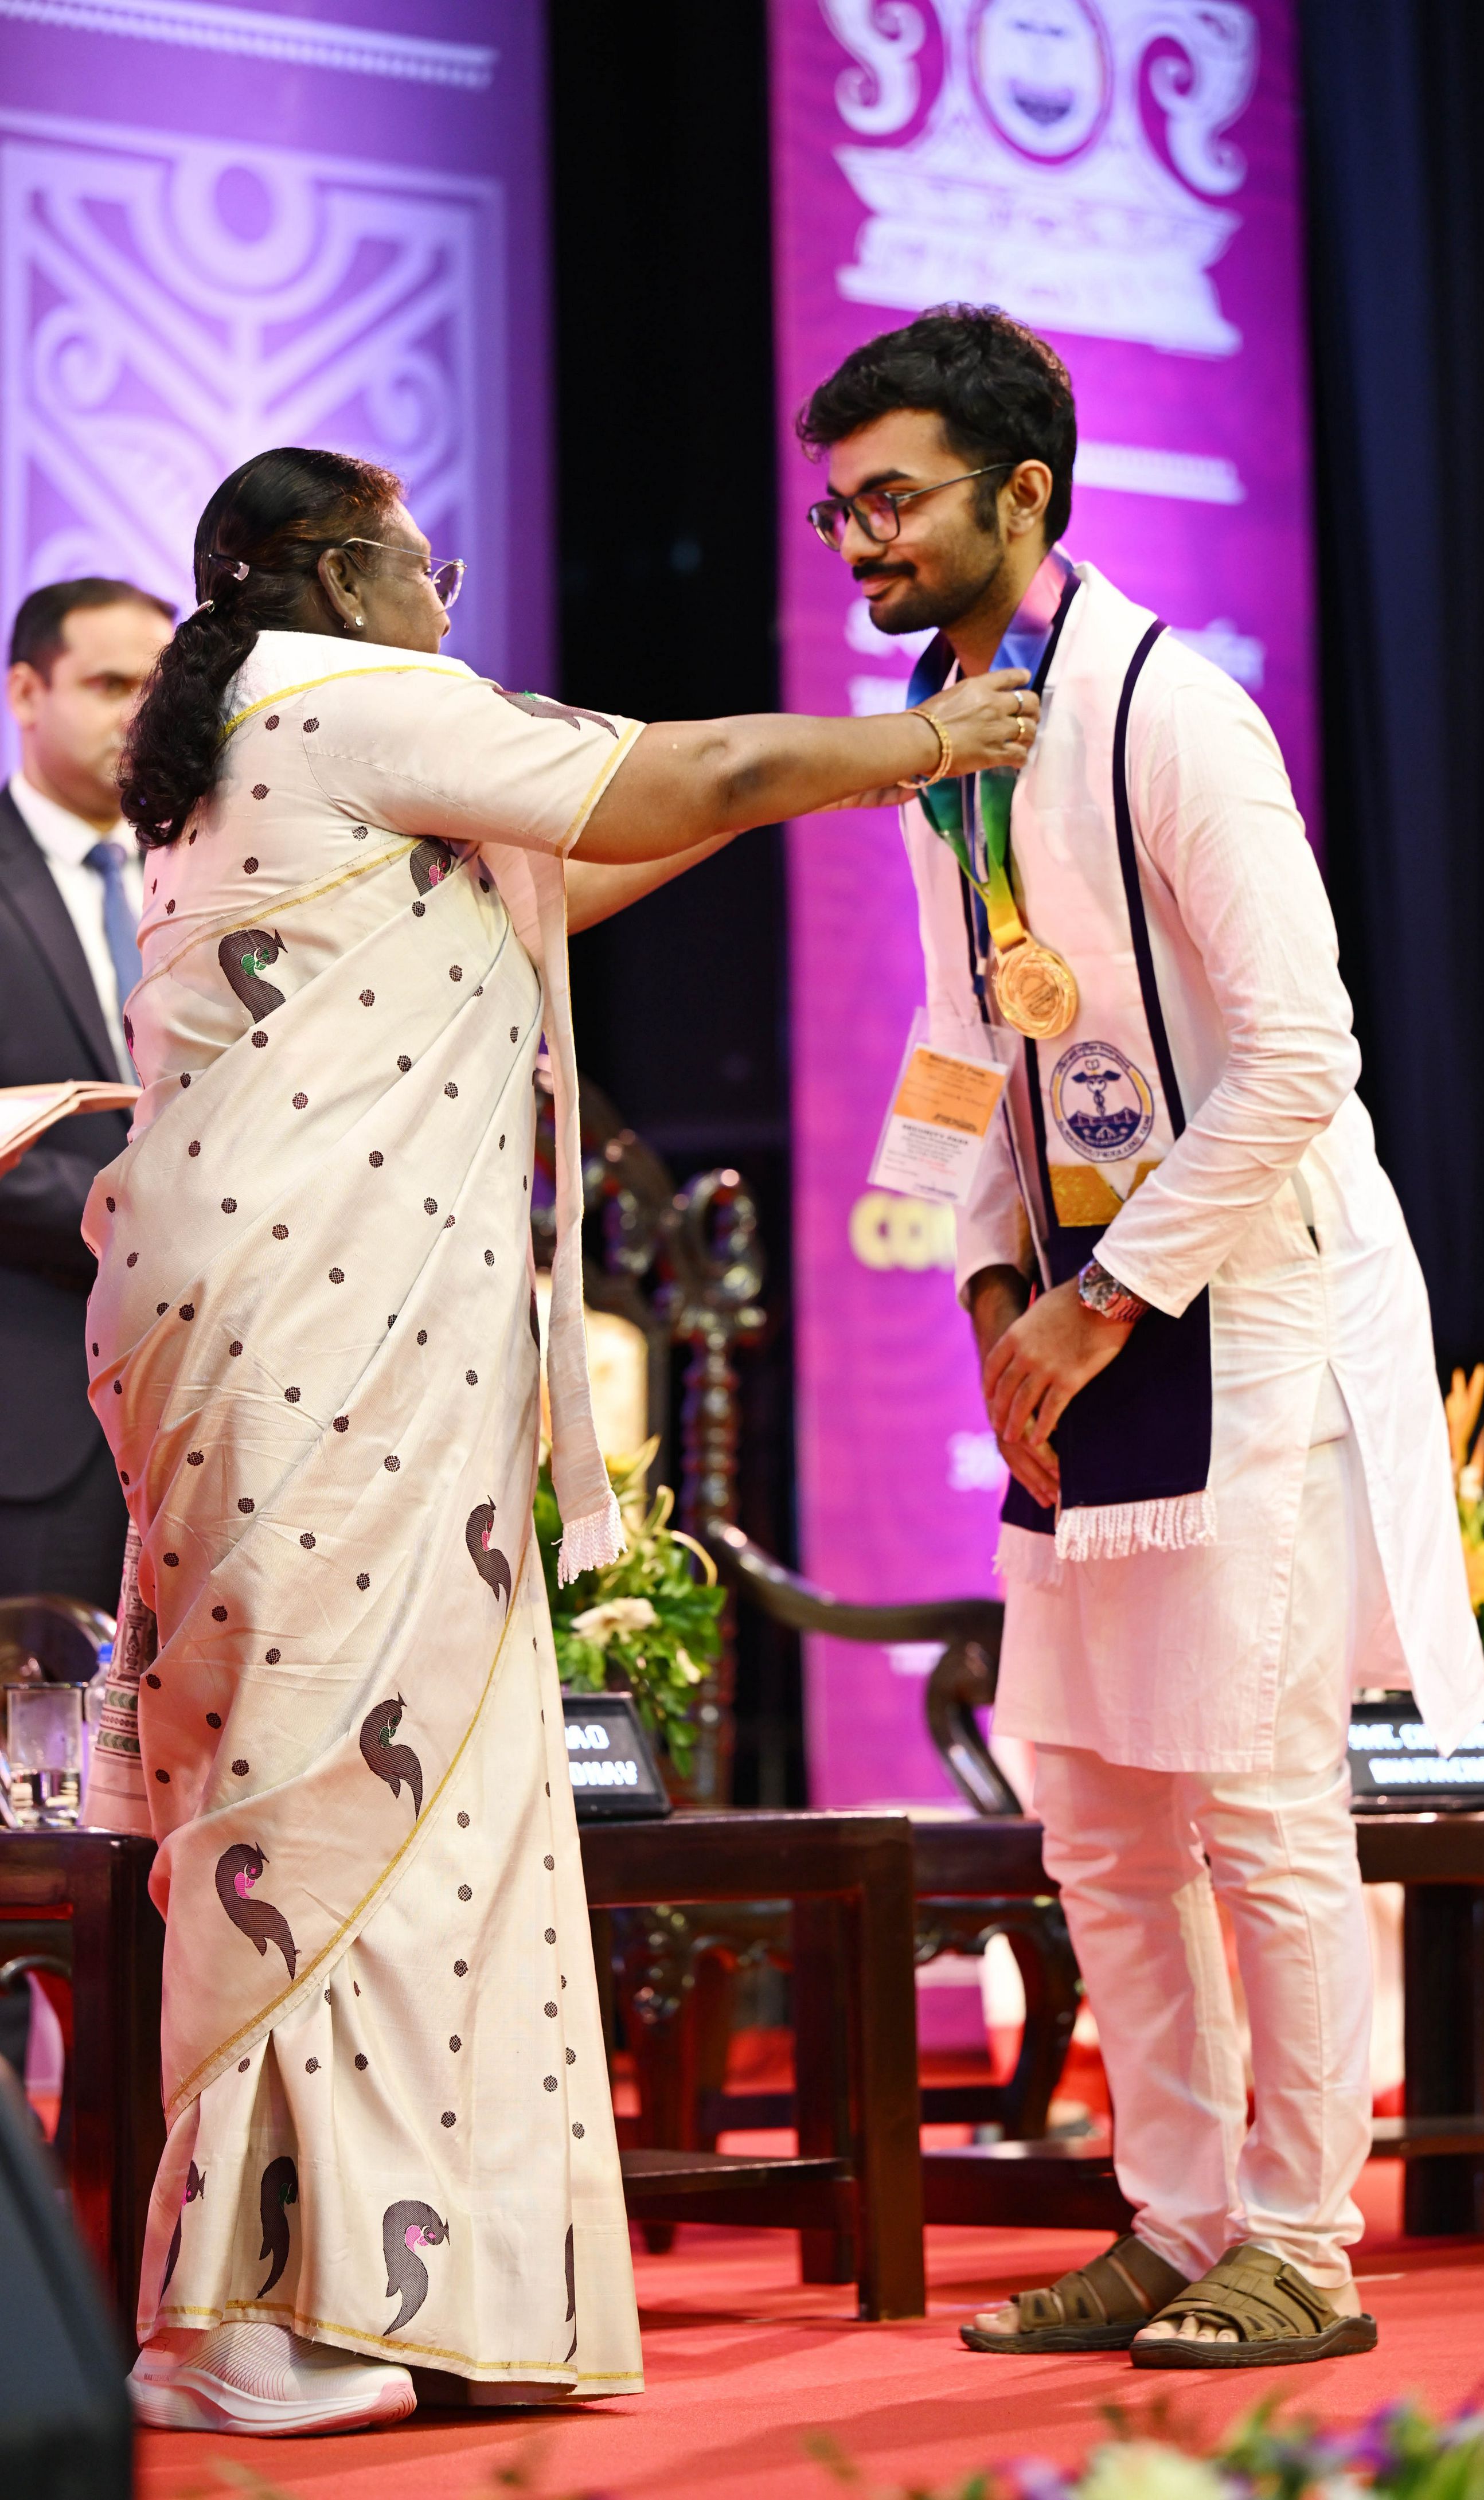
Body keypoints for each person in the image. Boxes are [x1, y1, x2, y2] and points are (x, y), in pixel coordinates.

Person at [92, 444, 1034, 2436]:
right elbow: (674, 769)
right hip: (322, 1330)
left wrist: (793, 794)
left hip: (270, 1320)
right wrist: (922, 742)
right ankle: (249, 2319)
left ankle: (381, 2294)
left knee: (345, 1781)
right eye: (425, 563)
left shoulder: (248, 743)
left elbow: (564, 871)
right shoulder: (354, 696)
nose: (445, 595)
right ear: (342, 575)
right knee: (334, 1796)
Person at [798, 307, 1484, 2367]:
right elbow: (967, 1042)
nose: (861, 538)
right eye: (839, 510)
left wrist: (1102, 1300)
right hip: (1075, 1304)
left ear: (1022, 492)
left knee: (1256, 1799)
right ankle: (1173, 2221)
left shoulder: (1173, 716)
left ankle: (1301, 2244)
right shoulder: (944, 736)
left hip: (1238, 1299)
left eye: (893, 498)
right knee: (1093, 1812)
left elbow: (1299, 1055)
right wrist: (984, 1294)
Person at [0, 580, 173, 1611]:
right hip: (33, 1411)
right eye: (111, 685)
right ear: (27, 693)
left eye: (159, 685)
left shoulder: (217, 875)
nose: (141, 712)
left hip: (210, 1414)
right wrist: (150, 1216)